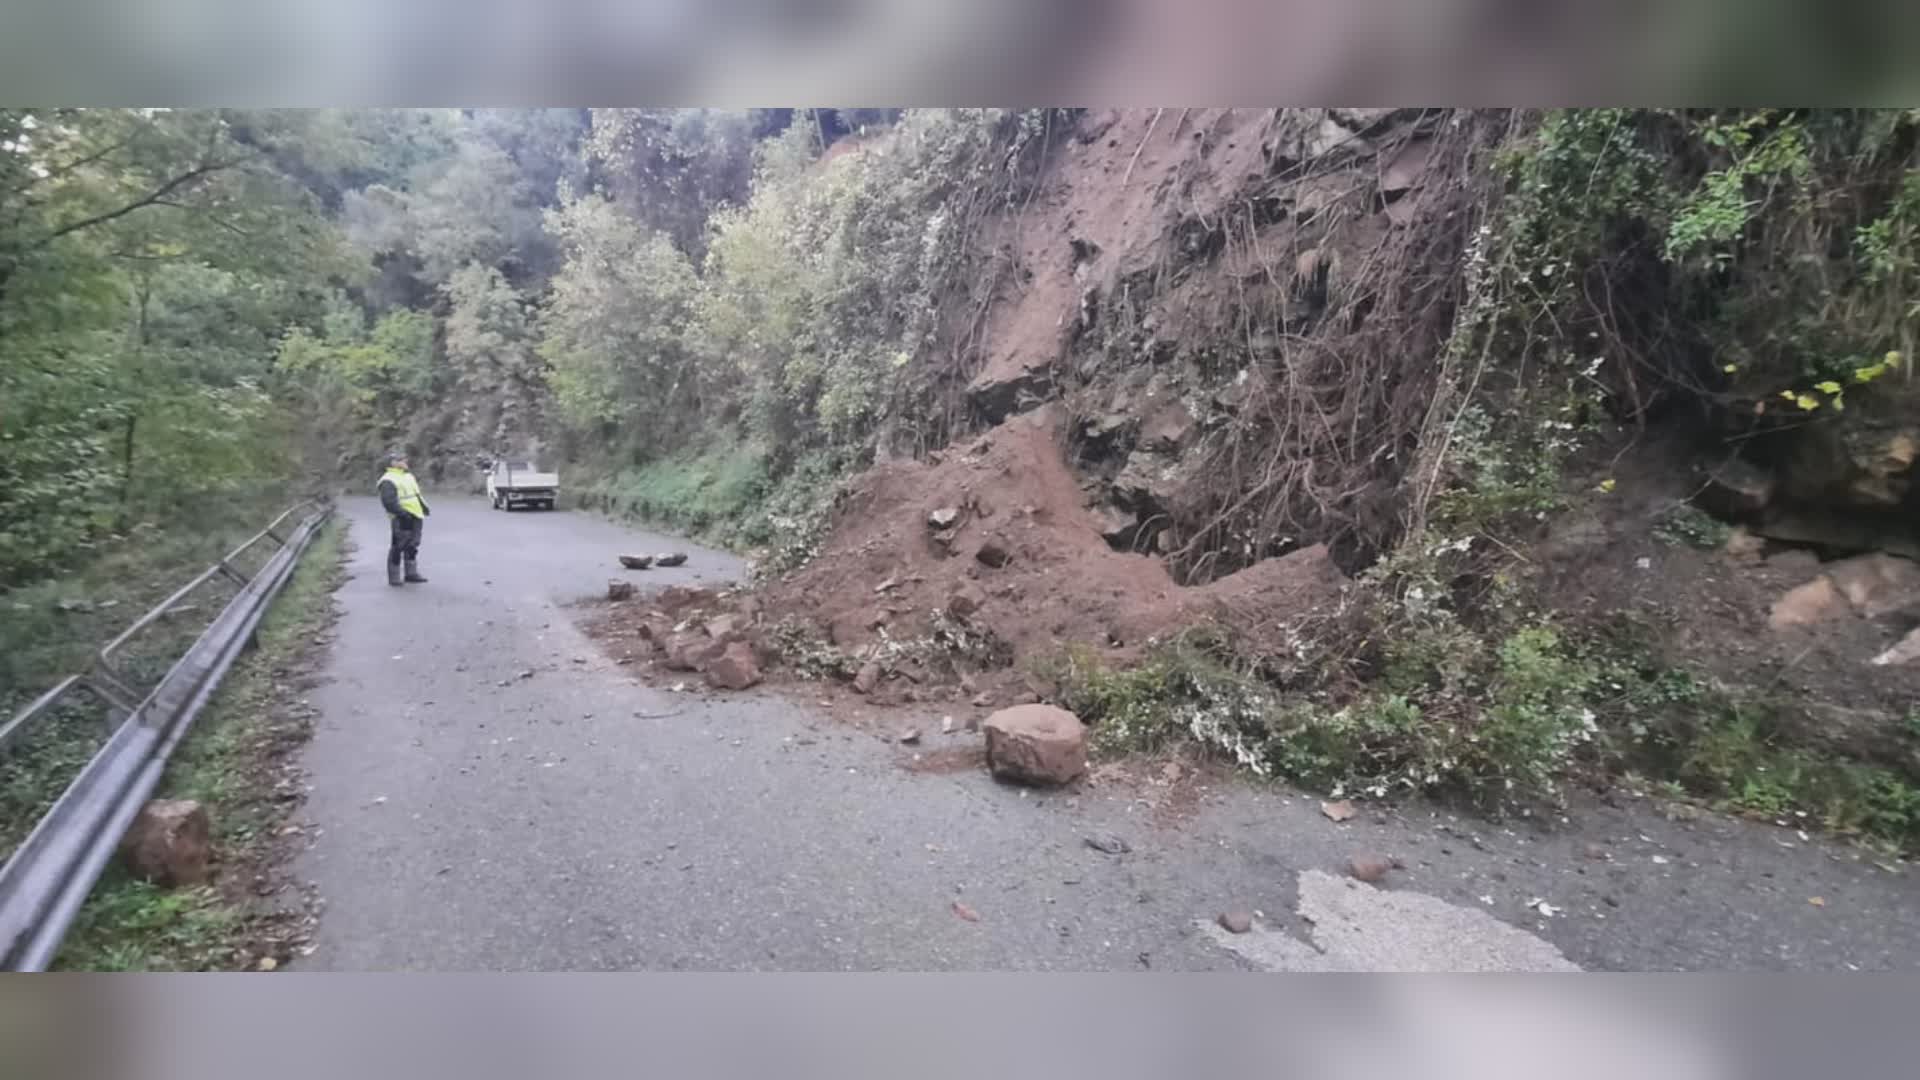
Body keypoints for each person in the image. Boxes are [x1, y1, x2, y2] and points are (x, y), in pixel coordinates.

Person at [376, 451, 431, 586]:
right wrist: (403, 514)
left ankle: (411, 573)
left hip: (416, 515)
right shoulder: (388, 480)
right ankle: (394, 577)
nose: (405, 461)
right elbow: (389, 502)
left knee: (413, 545)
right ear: (393, 463)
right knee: (398, 546)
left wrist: (423, 509)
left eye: (405, 459)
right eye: (401, 460)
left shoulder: (408, 476)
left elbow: (416, 495)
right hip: (401, 517)